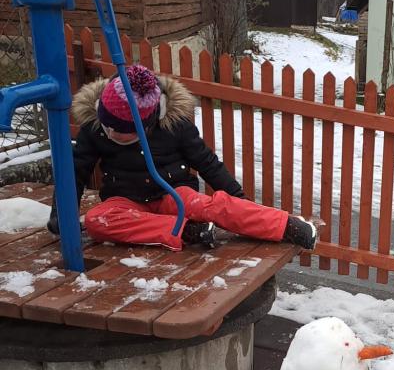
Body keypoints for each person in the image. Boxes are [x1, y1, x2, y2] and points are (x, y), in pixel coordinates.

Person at [46, 64, 317, 252]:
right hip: (126, 201)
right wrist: (61, 215)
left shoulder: (175, 125)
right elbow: (75, 171)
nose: (110, 132)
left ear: (147, 124)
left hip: (173, 194)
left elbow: (207, 162)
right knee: (97, 220)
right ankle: (186, 231)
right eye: (107, 125)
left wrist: (239, 201)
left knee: (211, 205)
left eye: (120, 130)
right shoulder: (94, 127)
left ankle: (285, 225)